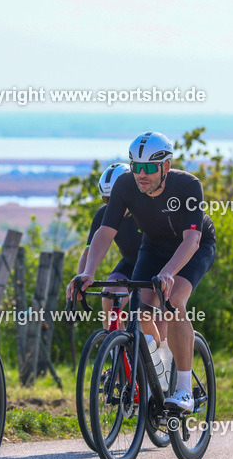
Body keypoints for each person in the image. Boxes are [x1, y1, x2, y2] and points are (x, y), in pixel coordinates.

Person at [68, 132, 216, 414]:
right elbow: (104, 232)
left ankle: (184, 389)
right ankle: (157, 367)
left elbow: (192, 240)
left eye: (148, 168)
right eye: (136, 167)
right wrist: (87, 272)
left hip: (192, 248)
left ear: (166, 166)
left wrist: (170, 273)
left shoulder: (188, 186)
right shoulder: (126, 185)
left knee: (174, 303)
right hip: (154, 247)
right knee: (140, 311)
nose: (141, 174)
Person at [72, 163, 143, 329]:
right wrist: (80, 279)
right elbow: (88, 251)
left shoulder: (145, 209)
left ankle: (157, 351)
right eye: (107, 200)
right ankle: (117, 349)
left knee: (144, 311)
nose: (114, 204)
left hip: (155, 264)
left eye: (118, 198)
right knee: (109, 298)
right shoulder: (104, 214)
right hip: (130, 263)